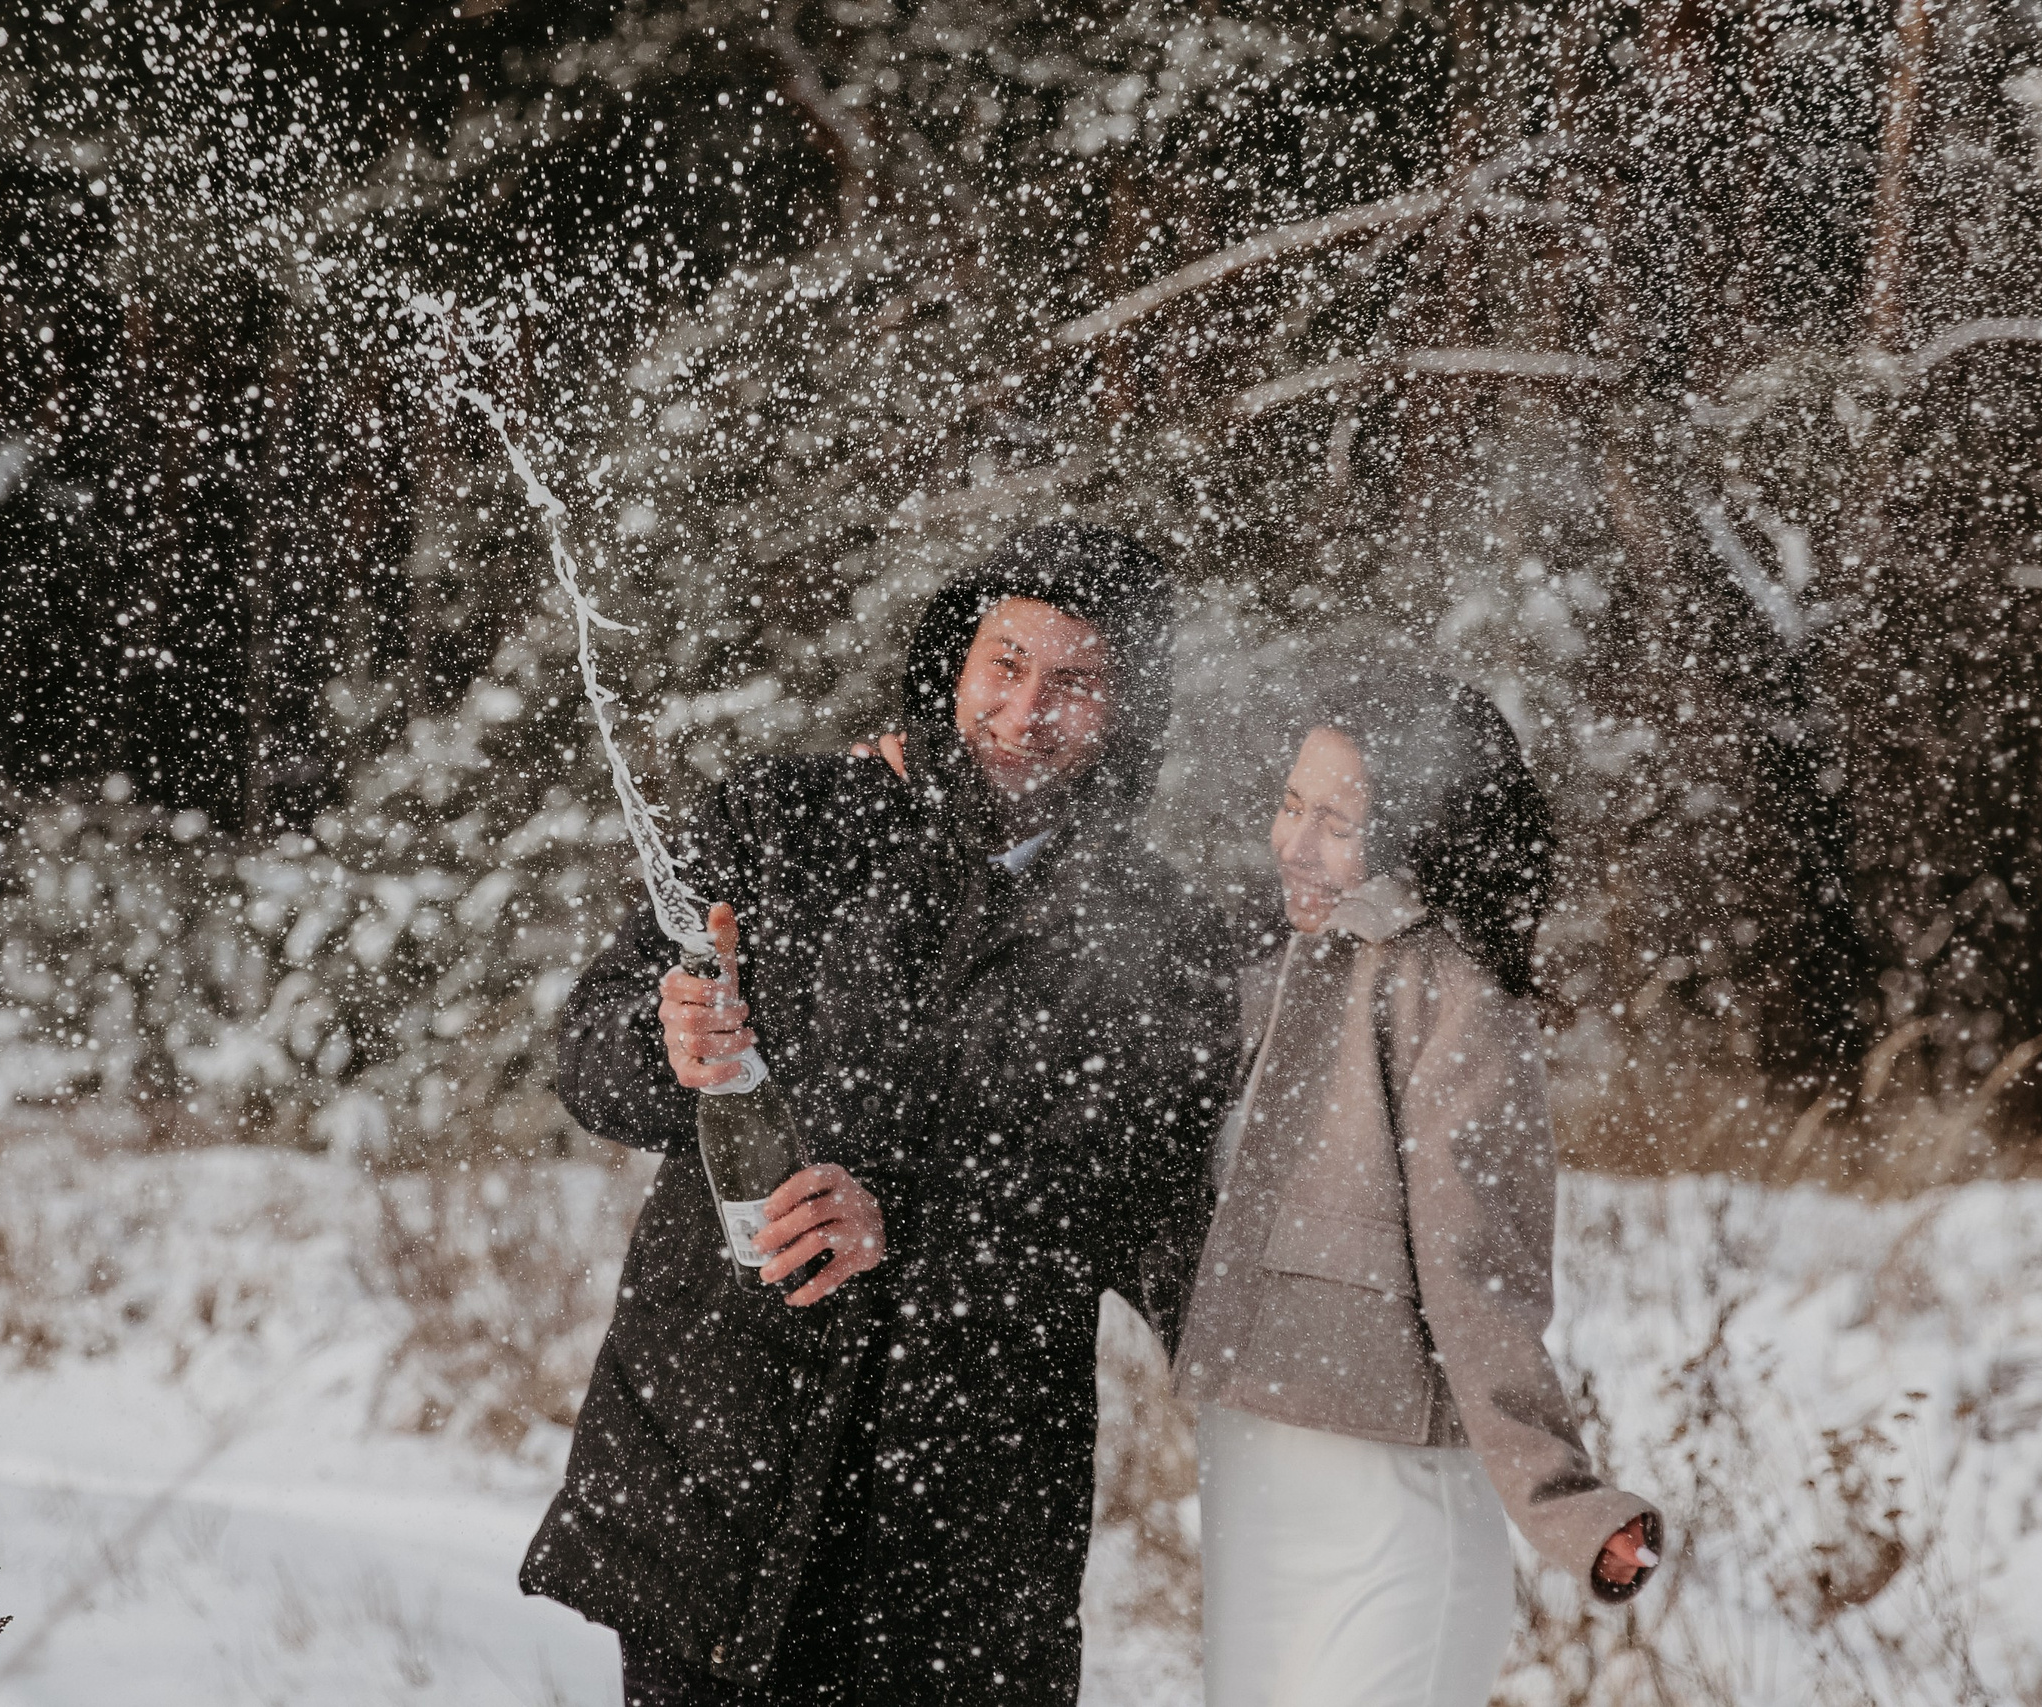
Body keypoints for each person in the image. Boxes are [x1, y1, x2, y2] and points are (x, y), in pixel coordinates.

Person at [521, 524, 1237, 1707]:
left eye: (1075, 683)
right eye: (1003, 664)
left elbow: (1141, 1211)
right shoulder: (785, 820)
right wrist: (668, 1043)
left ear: (1131, 711)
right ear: (952, 662)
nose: (1023, 712)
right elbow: (590, 1058)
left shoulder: (1157, 935)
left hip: (956, 1516)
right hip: (721, 1453)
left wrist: (919, 1222)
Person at [1175, 651, 1663, 1707]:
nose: (1291, 844)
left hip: (1388, 1490)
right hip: (1255, 1463)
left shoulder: (1450, 992)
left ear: (1416, 836)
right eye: (1290, 803)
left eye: (1337, 824)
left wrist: (1560, 1499)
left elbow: (1473, 1260)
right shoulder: (1274, 965)